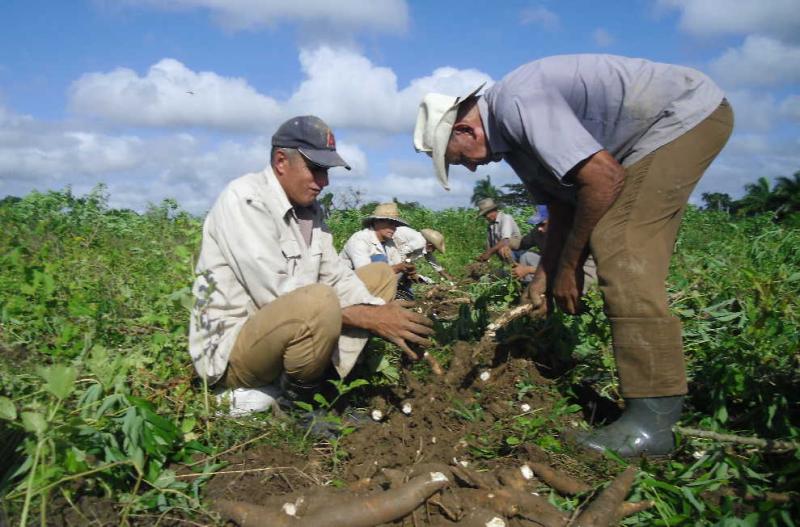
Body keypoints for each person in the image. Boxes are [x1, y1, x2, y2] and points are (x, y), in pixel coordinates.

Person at [414, 54, 734, 457]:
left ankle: (652, 425)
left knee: (620, 248)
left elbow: (602, 178)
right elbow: (561, 206)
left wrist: (568, 268)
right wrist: (546, 277)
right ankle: (653, 410)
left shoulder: (515, 103)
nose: (471, 169)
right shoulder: (513, 144)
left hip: (683, 117)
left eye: (458, 158)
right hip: (658, 133)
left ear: (465, 128)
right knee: (612, 243)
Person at [190, 116, 433, 419]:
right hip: (235, 350)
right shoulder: (245, 200)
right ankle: (300, 408)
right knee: (319, 299)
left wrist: (381, 312)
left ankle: (321, 382)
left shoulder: (311, 211)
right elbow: (277, 295)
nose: (324, 182)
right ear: (281, 161)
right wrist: (370, 317)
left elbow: (337, 275)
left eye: (326, 171)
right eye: (315, 169)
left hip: (291, 331)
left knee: (379, 276)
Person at [339, 203, 418, 298]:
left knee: (406, 286)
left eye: (395, 225)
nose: (393, 228)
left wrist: (407, 270)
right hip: (347, 287)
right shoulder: (360, 239)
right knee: (379, 260)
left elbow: (397, 264)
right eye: (389, 223)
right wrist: (397, 268)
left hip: (372, 286)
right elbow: (365, 274)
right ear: (376, 222)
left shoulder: (389, 243)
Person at [512, 205, 597, 290]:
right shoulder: (538, 232)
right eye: (538, 224)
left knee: (566, 286)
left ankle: (545, 294)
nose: (539, 229)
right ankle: (528, 290)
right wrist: (506, 243)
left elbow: (563, 266)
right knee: (527, 256)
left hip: (579, 272)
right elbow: (522, 242)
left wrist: (528, 270)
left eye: (542, 224)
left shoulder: (568, 234)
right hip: (552, 268)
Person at [475, 197, 522, 264]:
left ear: (495, 210)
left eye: (488, 213)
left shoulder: (505, 218)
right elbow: (489, 246)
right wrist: (484, 256)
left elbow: (505, 240)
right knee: (499, 249)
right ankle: (510, 269)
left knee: (502, 249)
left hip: (518, 250)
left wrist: (489, 252)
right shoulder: (491, 225)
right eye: (485, 215)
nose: (487, 216)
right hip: (507, 253)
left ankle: (515, 268)